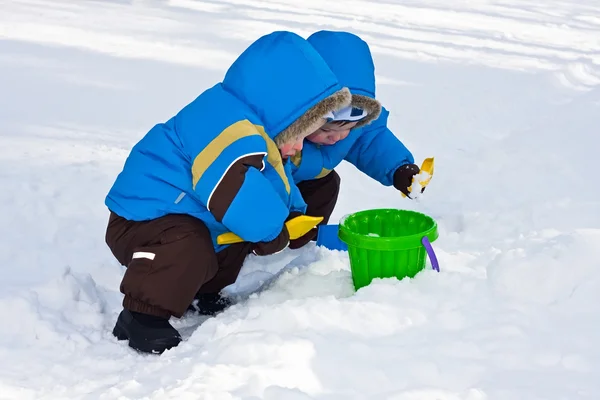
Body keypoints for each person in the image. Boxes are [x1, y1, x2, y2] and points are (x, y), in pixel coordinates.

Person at [104, 31, 351, 354]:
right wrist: (272, 231)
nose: (298, 147)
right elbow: (232, 189)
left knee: (231, 231)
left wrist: (290, 212)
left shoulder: (255, 128)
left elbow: (274, 182)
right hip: (142, 219)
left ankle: (202, 289)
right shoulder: (222, 122)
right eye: (298, 134)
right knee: (192, 239)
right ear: (280, 112)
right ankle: (141, 316)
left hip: (186, 212)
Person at [287, 30, 423, 249]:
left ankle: (303, 238)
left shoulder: (354, 119)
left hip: (302, 184)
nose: (338, 138)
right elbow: (271, 173)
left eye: (349, 128)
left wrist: (399, 168)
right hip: (263, 191)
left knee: (326, 184)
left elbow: (370, 138)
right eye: (328, 130)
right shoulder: (283, 132)